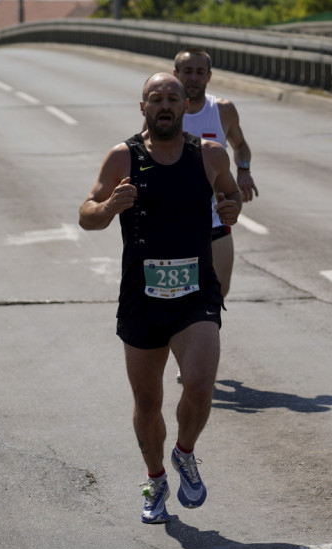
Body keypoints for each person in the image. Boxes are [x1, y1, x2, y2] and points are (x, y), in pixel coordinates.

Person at [79, 73, 242, 524]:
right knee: (147, 403)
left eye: (174, 97)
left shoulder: (209, 154)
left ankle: (185, 453)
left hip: (196, 292)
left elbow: (230, 196)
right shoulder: (122, 157)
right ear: (143, 107)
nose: (166, 104)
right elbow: (86, 215)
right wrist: (110, 207)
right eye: (157, 98)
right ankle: (155, 478)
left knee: (199, 384)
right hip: (142, 295)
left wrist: (231, 208)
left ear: (186, 106)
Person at [173, 47, 259, 301]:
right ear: (176, 74)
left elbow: (240, 145)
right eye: (187, 72)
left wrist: (243, 170)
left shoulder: (222, 110)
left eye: (200, 72)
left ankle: (204, 339)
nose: (193, 78)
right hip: (174, 222)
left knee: (219, 291)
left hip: (215, 220)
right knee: (177, 295)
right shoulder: (165, 112)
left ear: (209, 76)